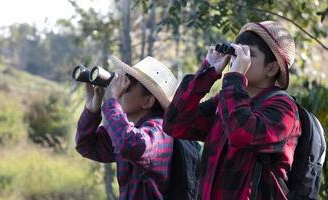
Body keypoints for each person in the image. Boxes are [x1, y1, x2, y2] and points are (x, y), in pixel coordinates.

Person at [163, 21, 301, 199]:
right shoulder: (226, 100)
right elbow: (174, 124)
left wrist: (235, 78)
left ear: (272, 68)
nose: (238, 59)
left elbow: (242, 133)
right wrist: (207, 72)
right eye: (237, 51)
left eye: (249, 54)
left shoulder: (284, 108)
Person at [75, 56, 178, 200]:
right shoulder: (129, 129)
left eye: (127, 87)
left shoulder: (160, 131)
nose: (120, 91)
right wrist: (91, 112)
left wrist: (112, 101)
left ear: (147, 101)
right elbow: (86, 146)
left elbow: (130, 145)